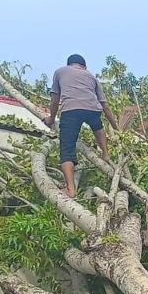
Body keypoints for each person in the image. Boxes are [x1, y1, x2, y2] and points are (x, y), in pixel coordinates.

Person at [43, 55, 117, 197]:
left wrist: (51, 118)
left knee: (67, 149)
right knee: (98, 127)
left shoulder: (60, 72)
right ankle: (105, 154)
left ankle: (70, 189)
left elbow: (55, 99)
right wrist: (117, 129)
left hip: (71, 110)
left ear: (69, 64)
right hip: (92, 109)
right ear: (84, 66)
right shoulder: (91, 77)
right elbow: (105, 105)